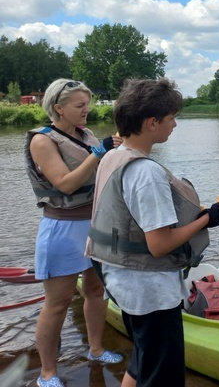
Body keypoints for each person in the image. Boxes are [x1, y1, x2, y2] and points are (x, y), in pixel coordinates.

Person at [86, 78, 219, 387]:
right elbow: (159, 245)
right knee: (162, 376)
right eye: (171, 118)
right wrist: (207, 219)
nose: (175, 124)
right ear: (152, 122)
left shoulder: (112, 156)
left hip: (121, 280)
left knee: (142, 359)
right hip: (148, 292)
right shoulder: (146, 172)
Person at [25, 79, 123, 387]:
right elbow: (65, 184)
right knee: (58, 301)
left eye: (87, 104)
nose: (87, 110)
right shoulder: (42, 141)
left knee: (96, 291)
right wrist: (99, 152)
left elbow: (102, 167)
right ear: (59, 108)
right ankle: (47, 373)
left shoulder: (86, 134)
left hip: (94, 223)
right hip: (62, 227)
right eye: (79, 106)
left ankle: (95, 350)